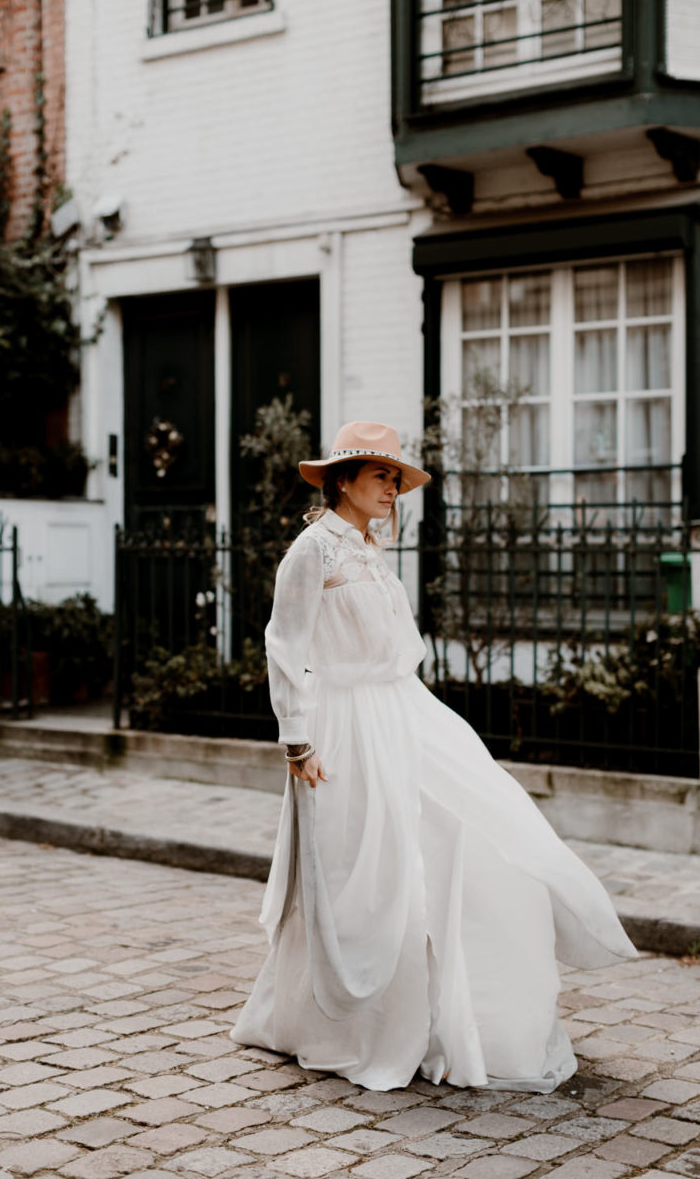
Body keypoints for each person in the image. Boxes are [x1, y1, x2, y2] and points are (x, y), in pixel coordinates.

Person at [231, 420, 637, 1093]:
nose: (392, 488)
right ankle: (348, 1026)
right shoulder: (313, 550)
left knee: (477, 824)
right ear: (343, 480)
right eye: (380, 475)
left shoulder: (369, 548)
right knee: (364, 870)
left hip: (405, 712)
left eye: (397, 478)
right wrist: (297, 737)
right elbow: (285, 644)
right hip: (346, 728)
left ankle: (456, 1014)